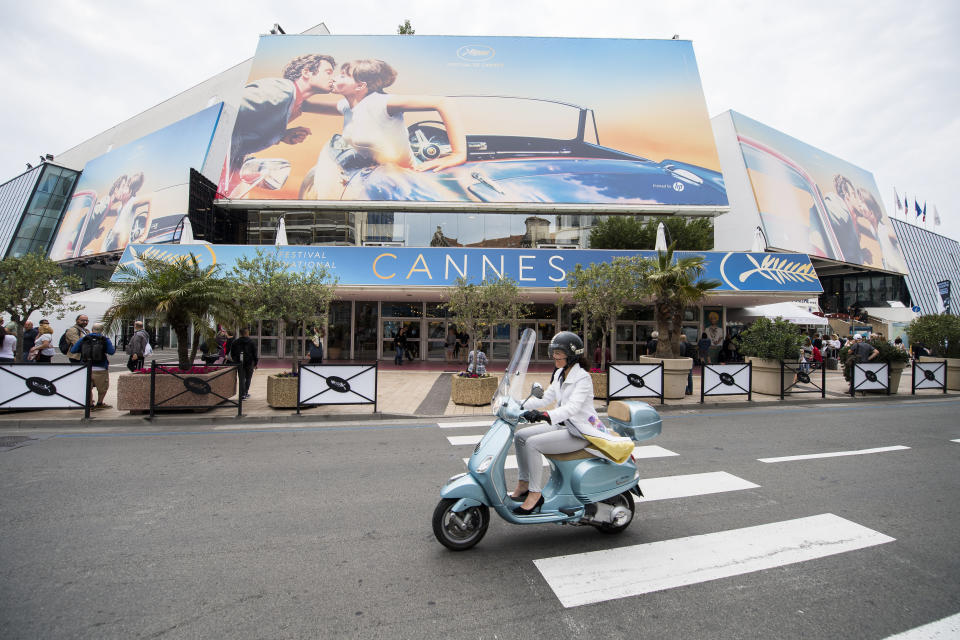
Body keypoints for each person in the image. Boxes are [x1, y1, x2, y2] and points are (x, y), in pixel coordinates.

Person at [509, 332, 603, 515]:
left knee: (533, 444)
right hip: (563, 426)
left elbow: (572, 408)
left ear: (572, 354)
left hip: (580, 431)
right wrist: (516, 404)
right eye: (554, 352)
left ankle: (535, 495)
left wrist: (544, 415)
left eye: (559, 353)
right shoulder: (560, 373)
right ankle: (524, 484)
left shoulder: (583, 378)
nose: (555, 356)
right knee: (520, 436)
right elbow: (545, 397)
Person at [225, 53, 337, 194]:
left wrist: (281, 135)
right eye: (328, 73)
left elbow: (338, 108)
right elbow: (230, 113)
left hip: (228, 170)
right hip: (219, 164)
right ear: (306, 72)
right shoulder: (281, 91)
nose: (333, 78)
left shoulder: (295, 101)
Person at [70, 322, 116, 409]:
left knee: (88, 387)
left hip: (86, 366)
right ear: (102, 330)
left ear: (92, 329)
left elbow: (73, 350)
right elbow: (111, 352)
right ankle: (100, 403)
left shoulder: (84, 339)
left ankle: (90, 404)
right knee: (102, 387)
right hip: (101, 367)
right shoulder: (105, 339)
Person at [230, 328, 258, 399]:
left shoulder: (235, 342)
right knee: (248, 378)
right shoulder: (252, 342)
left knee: (241, 378)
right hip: (249, 363)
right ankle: (245, 392)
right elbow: (255, 353)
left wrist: (235, 360)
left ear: (240, 333)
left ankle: (242, 394)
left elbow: (232, 353)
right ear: (247, 333)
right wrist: (255, 363)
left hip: (239, 363)